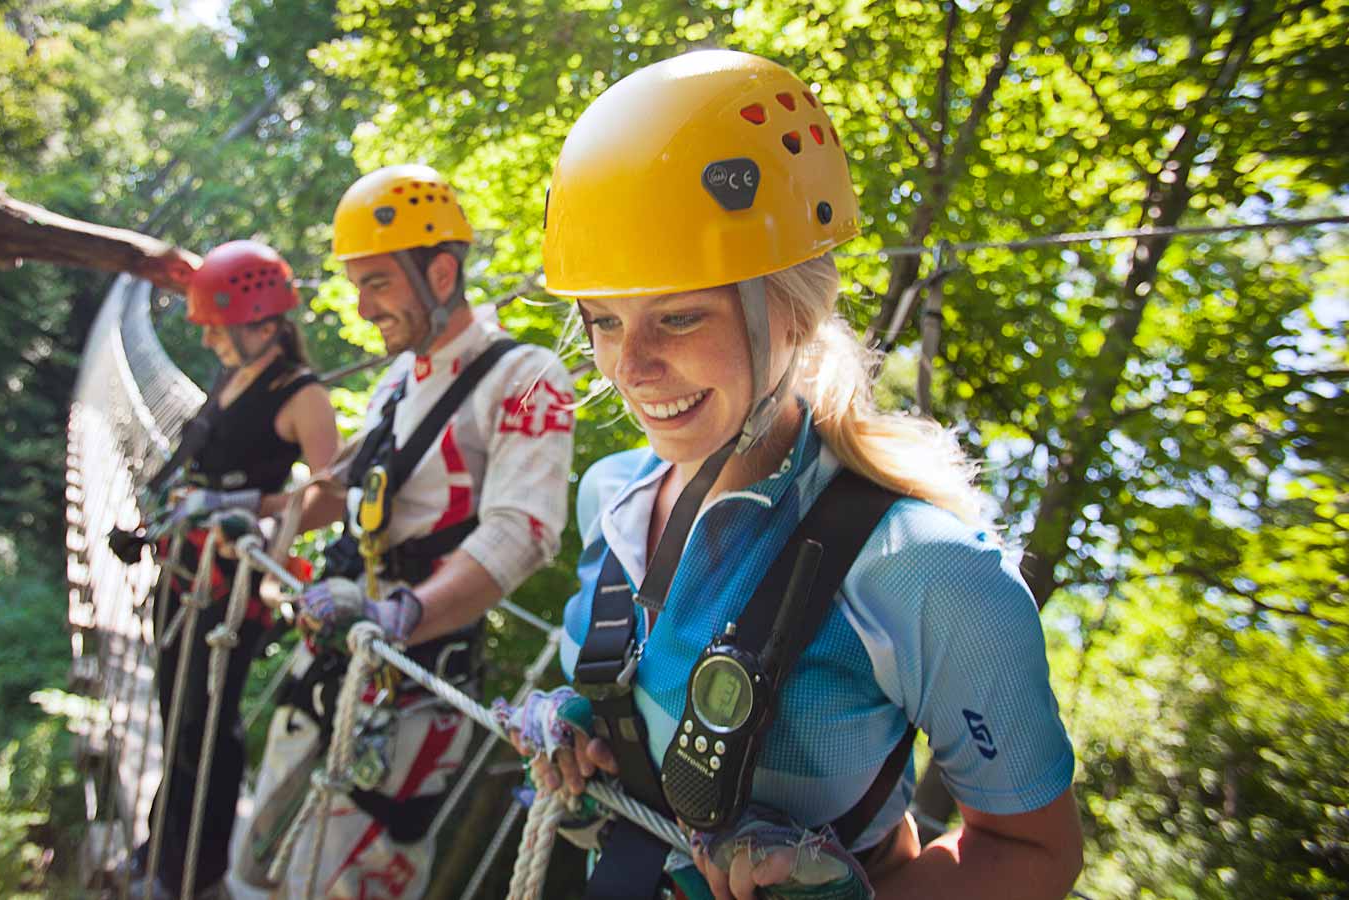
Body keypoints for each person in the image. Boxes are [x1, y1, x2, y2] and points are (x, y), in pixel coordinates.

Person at [502, 50, 1084, 900]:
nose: (631, 365)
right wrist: (598, 727)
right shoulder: (614, 496)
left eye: (679, 315)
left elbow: (1036, 853)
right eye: (603, 321)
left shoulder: (926, 571)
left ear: (796, 309)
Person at [241, 164, 576, 900]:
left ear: (442, 271)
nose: (362, 308)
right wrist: (260, 511)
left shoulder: (526, 377)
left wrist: (403, 616)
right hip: (334, 647)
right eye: (357, 285)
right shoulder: (399, 380)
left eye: (377, 284)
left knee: (349, 875)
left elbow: (523, 532)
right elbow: (348, 490)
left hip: (414, 683)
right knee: (259, 851)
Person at [118, 239, 338, 900]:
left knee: (205, 726)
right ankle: (160, 844)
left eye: (219, 328)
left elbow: (329, 497)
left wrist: (248, 504)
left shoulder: (301, 394)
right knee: (173, 713)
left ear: (265, 326)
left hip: (231, 586)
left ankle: (194, 870)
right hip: (181, 572)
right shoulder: (230, 375)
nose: (210, 340)